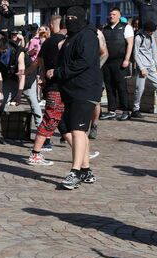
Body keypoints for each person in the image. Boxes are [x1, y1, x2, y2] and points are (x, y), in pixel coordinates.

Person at [47, 6, 102, 190]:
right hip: (71, 89)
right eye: (67, 17)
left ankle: (75, 171)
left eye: (74, 17)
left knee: (78, 131)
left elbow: (83, 62)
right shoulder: (71, 37)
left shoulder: (87, 36)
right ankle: (85, 169)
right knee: (78, 131)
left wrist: (58, 72)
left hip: (84, 89)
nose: (70, 20)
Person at [28, 15, 65, 166]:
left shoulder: (48, 41)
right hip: (57, 86)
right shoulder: (62, 42)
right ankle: (35, 153)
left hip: (54, 85)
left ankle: (81, 151)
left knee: (65, 123)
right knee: (51, 118)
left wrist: (33, 74)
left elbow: (39, 63)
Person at [100, 7, 135, 121]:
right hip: (107, 62)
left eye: (114, 14)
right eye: (110, 14)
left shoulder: (126, 27)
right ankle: (112, 110)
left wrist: (127, 59)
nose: (111, 16)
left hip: (120, 61)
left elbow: (130, 44)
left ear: (119, 16)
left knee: (121, 86)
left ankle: (125, 111)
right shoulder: (104, 29)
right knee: (109, 86)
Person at [132, 21, 157, 119]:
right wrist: (141, 68)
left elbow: (154, 52)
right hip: (142, 68)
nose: (152, 33)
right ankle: (135, 109)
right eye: (150, 31)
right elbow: (135, 54)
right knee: (139, 89)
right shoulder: (138, 38)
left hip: (151, 66)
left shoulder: (151, 37)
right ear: (146, 30)